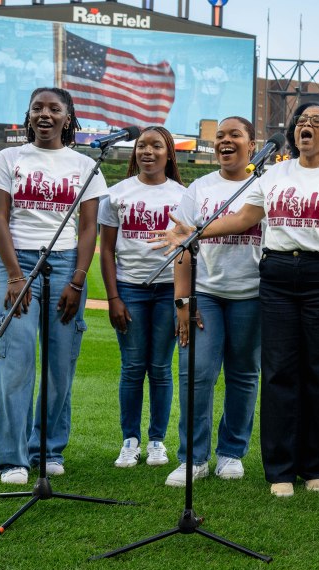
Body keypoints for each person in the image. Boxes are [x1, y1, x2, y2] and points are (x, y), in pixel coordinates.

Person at [156, 104, 319, 497]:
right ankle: (280, 470)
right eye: (302, 122)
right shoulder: (272, 173)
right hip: (279, 275)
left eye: (317, 122)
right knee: (278, 371)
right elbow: (244, 218)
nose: (307, 126)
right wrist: (196, 232)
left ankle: (313, 464)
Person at [0, 87, 108, 484]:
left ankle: (49, 448)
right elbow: (0, 220)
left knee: (60, 367)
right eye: (38, 107)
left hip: (66, 267)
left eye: (55, 109)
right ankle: (12, 458)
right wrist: (16, 275)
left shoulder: (85, 164)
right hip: (17, 263)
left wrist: (78, 278)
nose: (45, 114)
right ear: (29, 115)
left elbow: (89, 228)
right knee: (15, 362)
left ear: (68, 118)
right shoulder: (9, 158)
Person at [156, 116, 264, 487]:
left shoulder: (262, 186)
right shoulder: (199, 188)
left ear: (252, 144)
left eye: (235, 135)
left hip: (252, 295)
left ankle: (231, 452)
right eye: (220, 136)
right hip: (207, 297)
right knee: (196, 375)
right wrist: (183, 302)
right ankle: (193, 458)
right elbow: (181, 248)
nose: (225, 141)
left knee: (243, 376)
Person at [98, 126, 185, 469]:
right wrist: (113, 298)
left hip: (168, 289)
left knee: (161, 368)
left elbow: (187, 253)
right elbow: (105, 251)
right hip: (130, 288)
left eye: (156, 146)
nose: (148, 151)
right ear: (135, 153)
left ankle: (157, 440)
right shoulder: (117, 193)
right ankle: (130, 441)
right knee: (133, 367)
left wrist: (183, 302)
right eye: (142, 146)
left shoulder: (183, 195)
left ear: (168, 153)